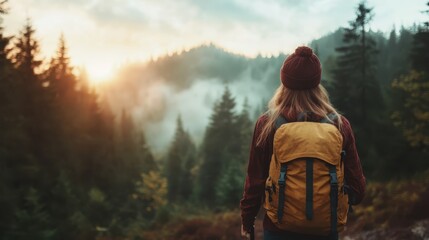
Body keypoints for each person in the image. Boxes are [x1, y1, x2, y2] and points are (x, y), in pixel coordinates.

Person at [240, 46, 366, 240]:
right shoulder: (339, 125)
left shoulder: (267, 124)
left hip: (278, 230)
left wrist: (247, 221)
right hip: (325, 230)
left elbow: (255, 181)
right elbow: (358, 190)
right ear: (317, 83)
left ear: (284, 83)